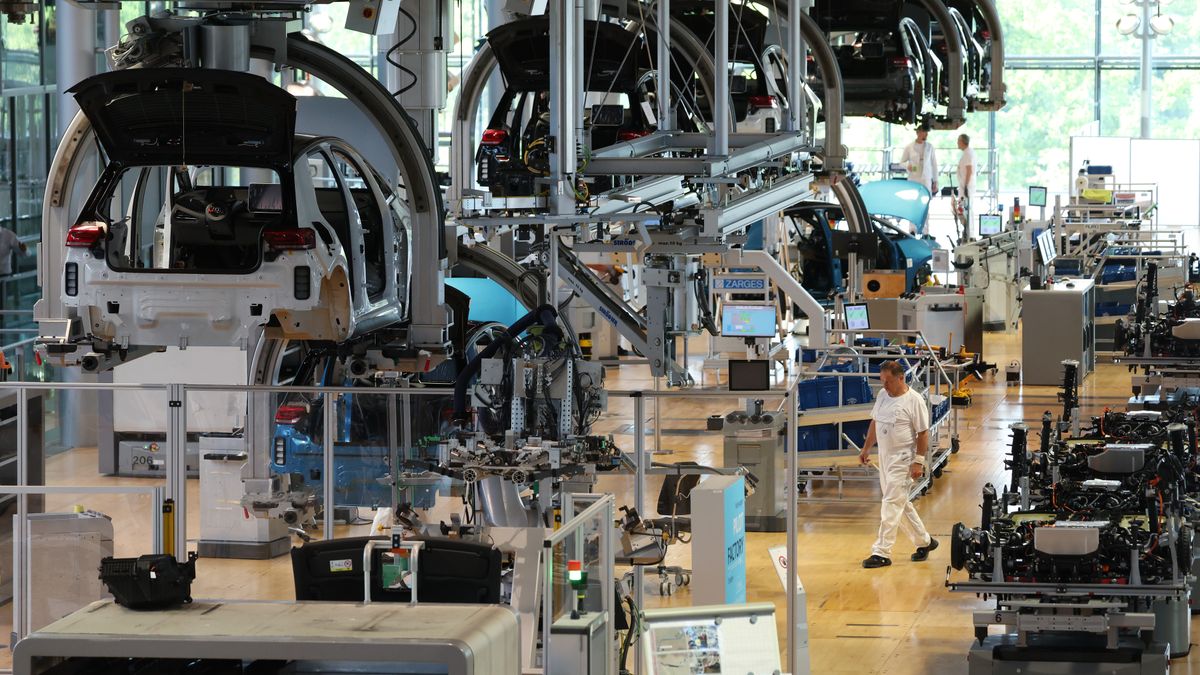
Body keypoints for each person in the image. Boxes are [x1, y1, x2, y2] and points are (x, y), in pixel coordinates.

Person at [858, 360, 938, 568]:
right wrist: (866, 448)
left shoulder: (914, 401)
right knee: (899, 503)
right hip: (885, 457)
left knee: (891, 503)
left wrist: (918, 462)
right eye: (882, 381)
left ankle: (881, 552)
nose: (884, 386)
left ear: (901, 378)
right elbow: (875, 422)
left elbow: (923, 433)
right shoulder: (883, 396)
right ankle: (925, 542)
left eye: (888, 381)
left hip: (904, 459)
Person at [901, 122, 938, 195]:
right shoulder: (909, 147)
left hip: (926, 178)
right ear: (918, 133)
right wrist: (907, 165)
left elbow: (934, 165)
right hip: (914, 177)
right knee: (913, 197)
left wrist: (936, 181)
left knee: (926, 198)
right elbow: (902, 162)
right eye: (925, 132)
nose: (927, 134)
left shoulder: (930, 147)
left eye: (927, 132)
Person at [956, 134, 977, 239]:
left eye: (958, 141)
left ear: (962, 142)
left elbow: (969, 170)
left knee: (966, 210)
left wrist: (965, 186)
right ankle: (967, 232)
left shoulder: (968, 153)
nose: (957, 143)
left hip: (967, 186)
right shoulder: (967, 153)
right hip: (965, 186)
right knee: (964, 209)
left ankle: (969, 233)